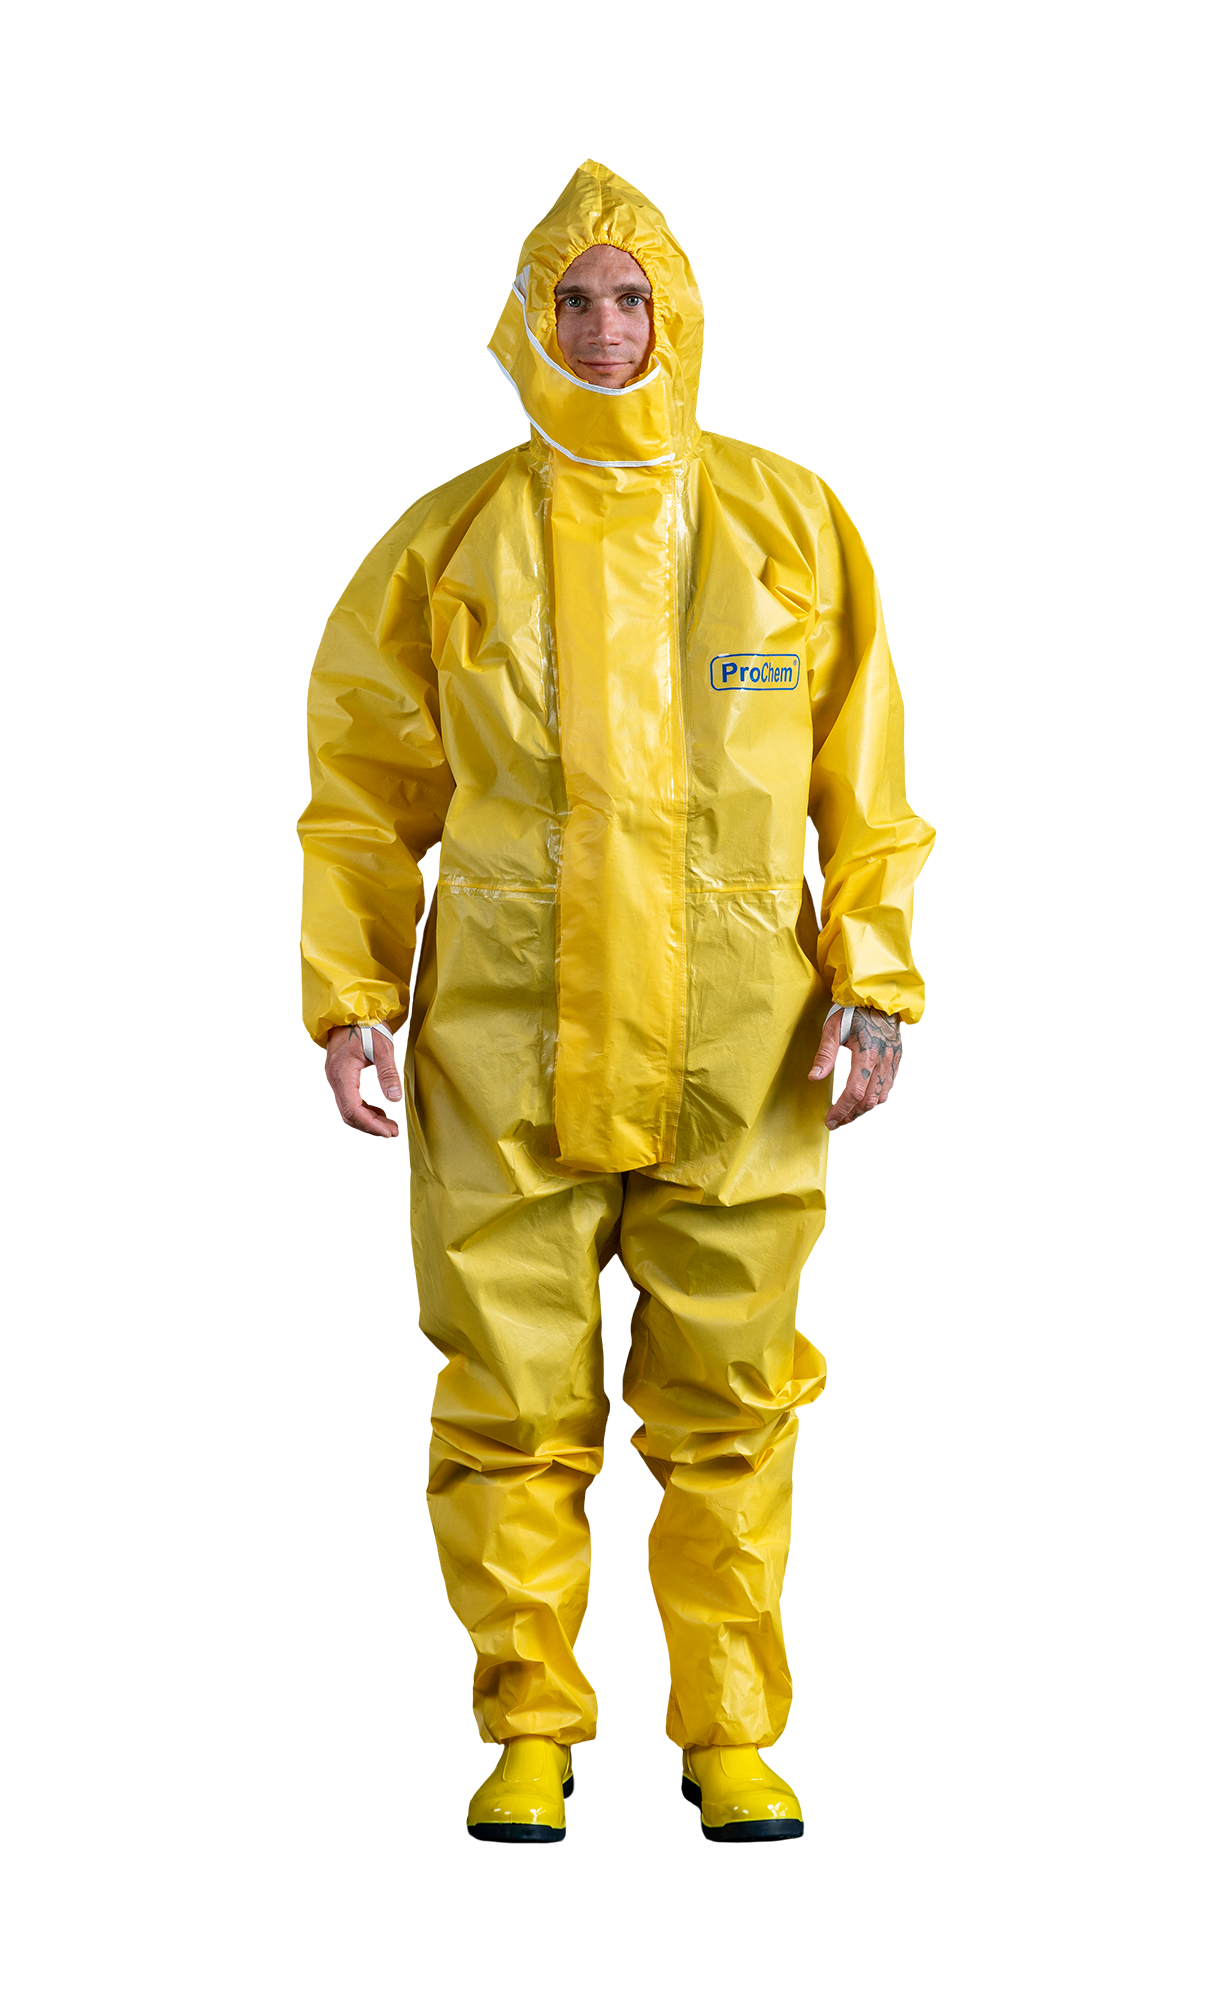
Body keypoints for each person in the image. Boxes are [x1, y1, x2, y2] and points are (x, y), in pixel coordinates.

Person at [300, 162, 934, 1842]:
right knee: (511, 1405)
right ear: (528, 319)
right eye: (571, 298)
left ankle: (731, 1739)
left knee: (732, 1404)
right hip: (500, 1044)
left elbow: (870, 791)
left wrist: (880, 981)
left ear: (679, 315)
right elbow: (360, 801)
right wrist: (347, 1005)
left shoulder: (795, 532)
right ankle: (529, 1735)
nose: (601, 326)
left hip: (742, 1046)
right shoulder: (445, 546)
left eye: (628, 296)